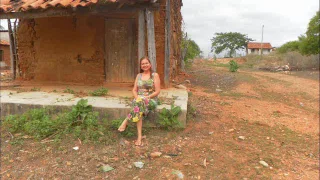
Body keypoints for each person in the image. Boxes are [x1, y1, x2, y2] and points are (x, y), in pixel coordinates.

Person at [118, 56, 161, 146]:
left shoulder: (154, 75)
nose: (144, 65)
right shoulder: (139, 75)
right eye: (142, 64)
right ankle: (139, 137)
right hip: (139, 100)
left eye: (146, 63)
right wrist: (137, 97)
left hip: (151, 99)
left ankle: (126, 121)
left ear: (150, 64)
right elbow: (134, 90)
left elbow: (157, 91)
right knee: (139, 107)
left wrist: (148, 97)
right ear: (140, 65)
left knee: (139, 104)